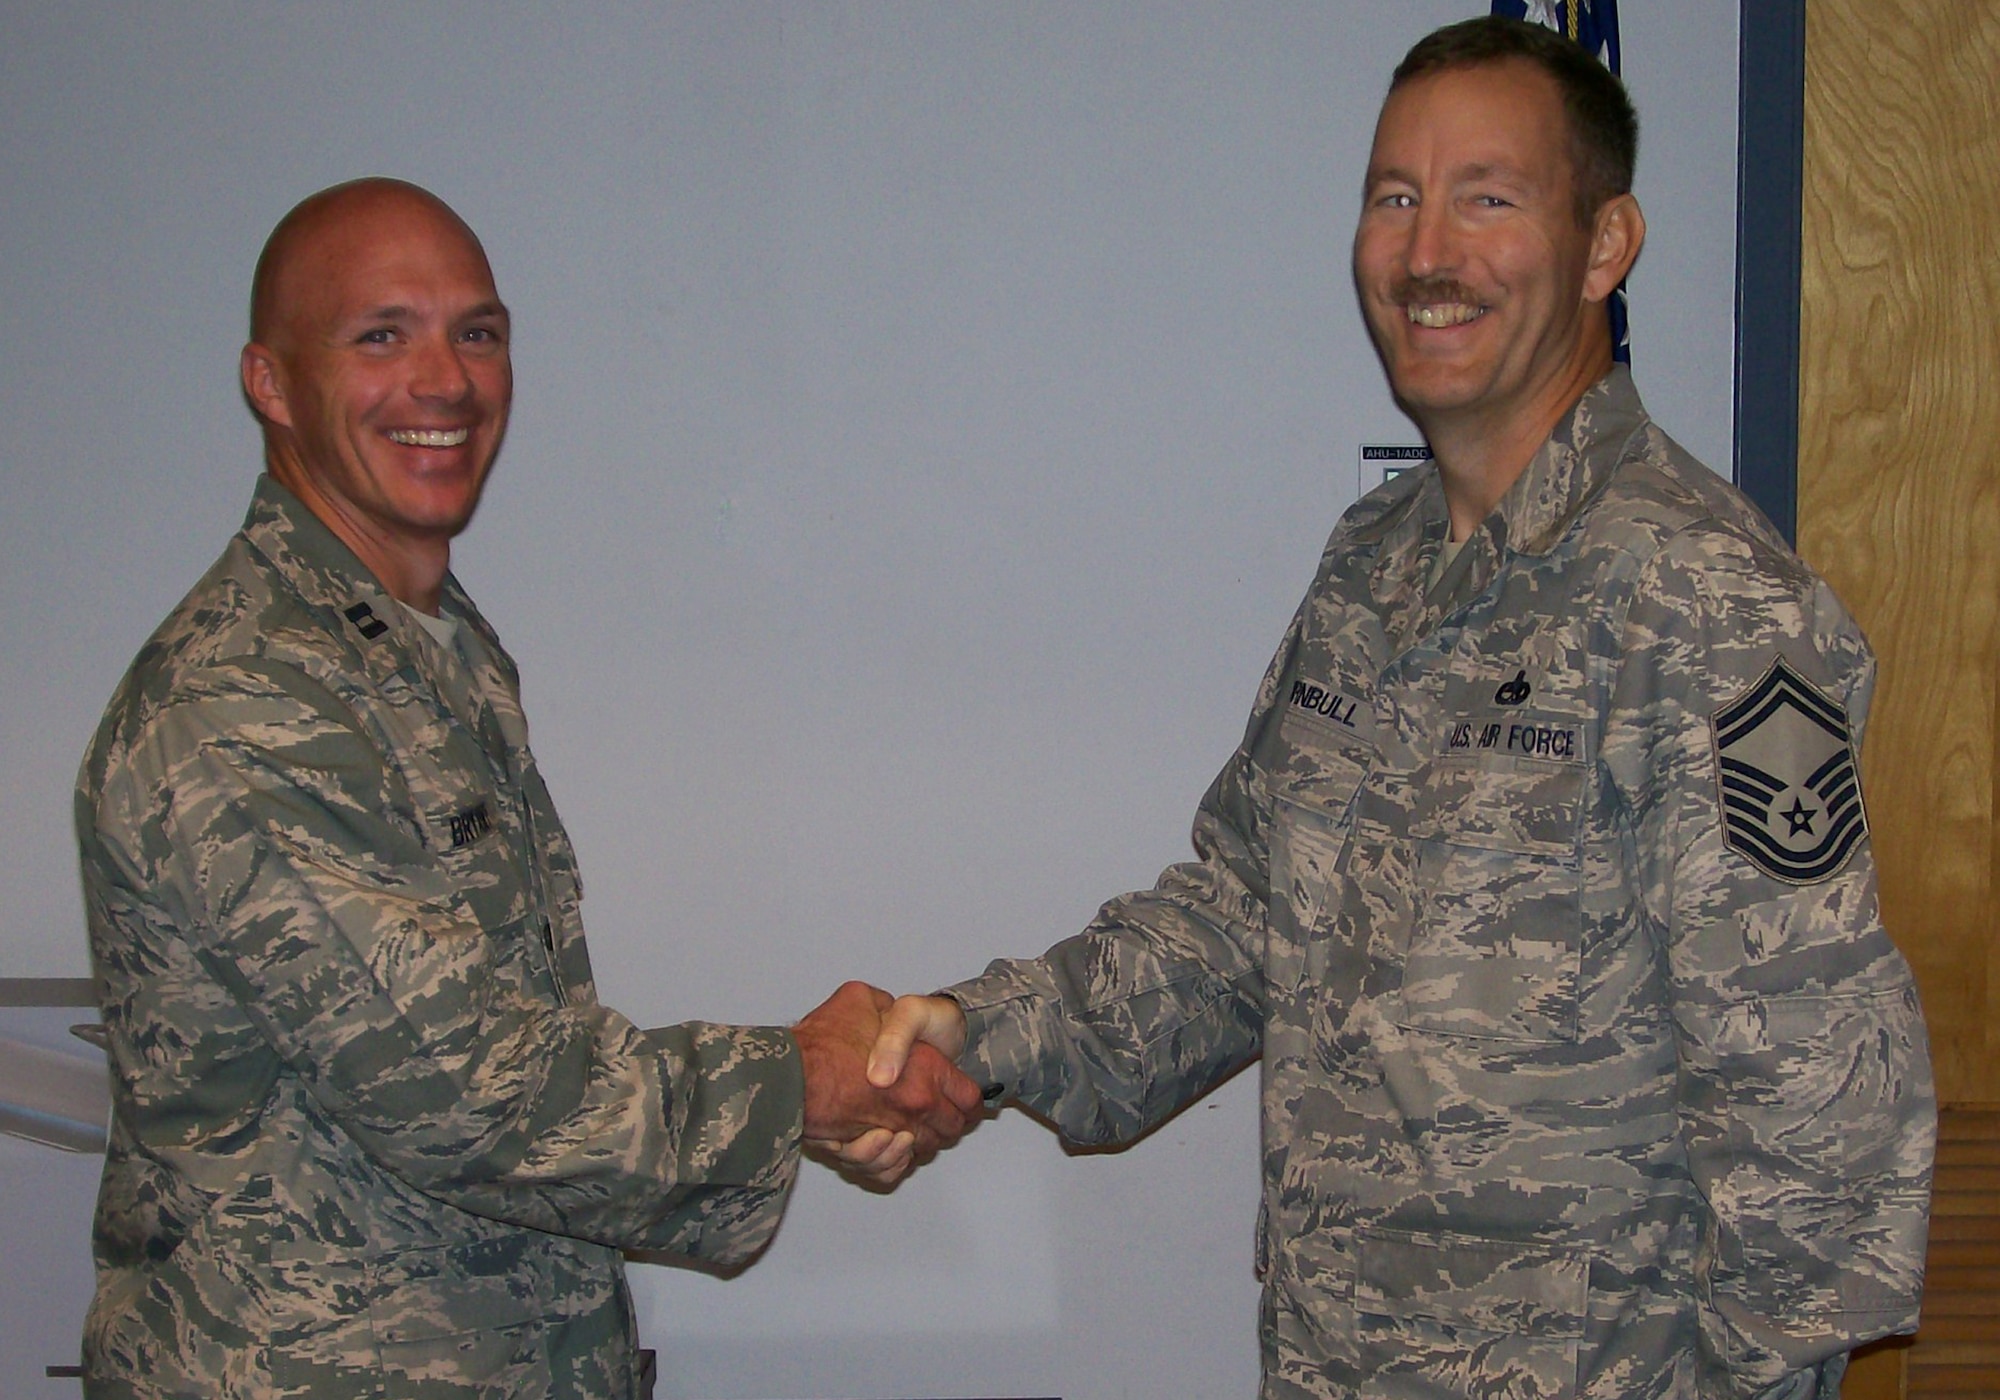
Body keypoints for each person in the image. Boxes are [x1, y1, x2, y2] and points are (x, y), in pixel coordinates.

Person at [856, 17, 1935, 1400]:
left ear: (1605, 247)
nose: (1428, 254)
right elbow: (1240, 919)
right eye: (1395, 198)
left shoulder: (1704, 603)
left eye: (1489, 197)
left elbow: (1813, 1096)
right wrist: (977, 1030)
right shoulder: (1373, 567)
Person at [73, 177, 982, 1399]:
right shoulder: (240, 697)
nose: (444, 379)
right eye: (380, 334)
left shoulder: (428, 649)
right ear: (271, 383)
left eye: (478, 332)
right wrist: (796, 1085)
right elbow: (459, 1087)